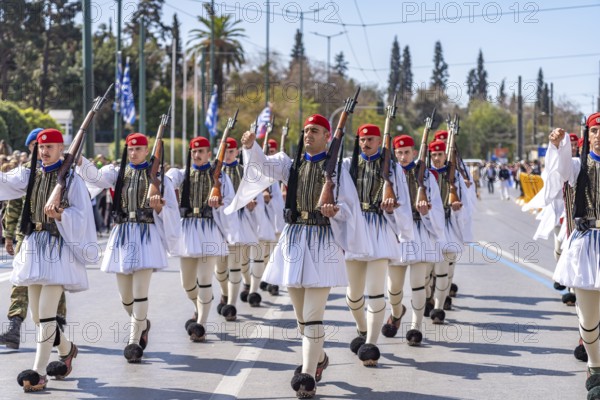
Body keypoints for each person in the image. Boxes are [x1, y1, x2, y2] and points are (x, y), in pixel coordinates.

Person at [226, 114, 369, 398]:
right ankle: (320, 358)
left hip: (322, 240)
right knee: (301, 318)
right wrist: (251, 147)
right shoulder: (291, 163)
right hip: (294, 239)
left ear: (328, 137)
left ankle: (306, 376)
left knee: (314, 316)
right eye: (305, 130)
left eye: (315, 131)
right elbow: (261, 168)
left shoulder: (339, 170)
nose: (308, 134)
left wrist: (336, 210)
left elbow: (352, 209)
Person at [0, 128, 95, 392]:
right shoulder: (31, 173)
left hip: (57, 249)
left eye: (50, 147)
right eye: (41, 147)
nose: (44, 151)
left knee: (46, 314)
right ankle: (67, 349)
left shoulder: (72, 180)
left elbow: (83, 216)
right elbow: (4, 182)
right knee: (35, 316)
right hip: (34, 246)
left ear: (62, 148)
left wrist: (62, 214)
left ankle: (39, 372)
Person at [78, 132, 181, 363]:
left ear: (147, 151)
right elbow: (95, 179)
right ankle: (143, 323)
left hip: (146, 234)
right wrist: (80, 161)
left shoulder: (160, 179)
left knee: (140, 292)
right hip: (123, 234)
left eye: (138, 149)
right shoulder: (117, 173)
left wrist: (160, 208)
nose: (133, 153)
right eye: (130, 149)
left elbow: (172, 211)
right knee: (125, 297)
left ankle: (133, 342)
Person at [343, 124, 413, 366]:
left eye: (371, 139)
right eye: (363, 139)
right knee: (353, 297)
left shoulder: (393, 169)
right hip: (355, 232)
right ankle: (362, 330)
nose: (366, 143)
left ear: (380, 143)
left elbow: (403, 202)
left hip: (379, 231)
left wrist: (392, 209)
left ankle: (371, 345)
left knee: (374, 294)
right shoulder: (346, 165)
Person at [547, 113, 600, 398]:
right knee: (588, 322)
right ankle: (595, 366)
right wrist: (558, 145)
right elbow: (562, 169)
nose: (599, 135)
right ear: (589, 134)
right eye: (595, 130)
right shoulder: (579, 166)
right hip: (588, 246)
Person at [0, 128, 67, 350]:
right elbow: (13, 207)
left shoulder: (62, 172)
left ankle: (56, 323)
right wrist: (9, 236)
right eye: (35, 146)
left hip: (54, 236)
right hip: (27, 234)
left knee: (53, 283)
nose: (39, 151)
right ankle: (15, 324)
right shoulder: (26, 173)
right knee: (21, 281)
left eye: (45, 146)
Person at [166, 136, 235, 342]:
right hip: (187, 228)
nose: (197, 155)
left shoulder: (220, 176)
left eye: (201, 152)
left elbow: (231, 202)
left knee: (205, 280)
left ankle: (201, 325)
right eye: (194, 152)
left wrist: (219, 201)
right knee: (187, 283)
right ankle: (200, 306)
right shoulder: (180, 173)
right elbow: (167, 182)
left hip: (208, 228)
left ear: (208, 154)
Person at [381, 134, 444, 346]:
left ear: (414, 153)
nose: (403, 156)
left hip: (421, 233)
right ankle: (397, 312)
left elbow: (437, 205)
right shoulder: (388, 174)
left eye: (407, 152)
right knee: (394, 289)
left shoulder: (426, 176)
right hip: (397, 233)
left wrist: (426, 212)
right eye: (399, 152)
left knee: (418, 285)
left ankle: (416, 328)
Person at [214, 137, 261, 320]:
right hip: (219, 222)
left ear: (237, 152)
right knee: (219, 269)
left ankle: (231, 306)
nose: (227, 154)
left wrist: (251, 203)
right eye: (224, 150)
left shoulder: (244, 171)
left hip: (239, 221)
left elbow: (252, 192)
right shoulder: (214, 171)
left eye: (231, 151)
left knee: (236, 265)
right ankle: (224, 293)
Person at [427, 139, 472, 322]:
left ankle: (438, 308)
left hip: (447, 226)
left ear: (446, 155)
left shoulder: (454, 176)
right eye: (433, 155)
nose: (437, 158)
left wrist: (457, 210)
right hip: (428, 227)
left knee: (443, 270)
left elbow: (465, 203)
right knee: (426, 273)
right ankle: (428, 298)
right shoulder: (425, 174)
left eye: (440, 154)